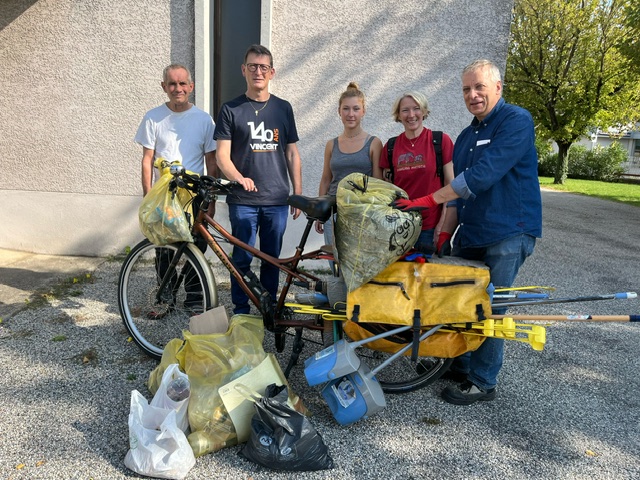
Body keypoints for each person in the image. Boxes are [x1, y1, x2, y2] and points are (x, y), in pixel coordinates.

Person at [392, 59, 542, 405]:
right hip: (473, 233)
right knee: (460, 299)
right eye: (466, 89)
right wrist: (445, 234)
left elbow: (480, 177)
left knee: (492, 307)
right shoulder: (465, 136)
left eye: (479, 87)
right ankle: (459, 363)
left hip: (509, 231)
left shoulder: (516, 121)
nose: (472, 95)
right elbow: (457, 199)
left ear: (498, 88)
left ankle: (483, 380)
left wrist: (427, 200)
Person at [214, 44, 302, 315]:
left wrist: (297, 193)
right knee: (242, 258)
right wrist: (239, 178)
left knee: (271, 260)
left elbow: (291, 153)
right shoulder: (230, 109)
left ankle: (268, 309)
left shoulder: (283, 109)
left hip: (276, 198)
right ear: (244, 70)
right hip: (243, 200)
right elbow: (222, 157)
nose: (258, 72)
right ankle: (242, 312)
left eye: (263, 67)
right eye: (252, 66)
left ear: (272, 72)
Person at [134, 64, 217, 315]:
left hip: (194, 193)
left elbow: (211, 160)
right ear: (164, 87)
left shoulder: (204, 119)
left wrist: (211, 199)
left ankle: (193, 298)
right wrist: (148, 195)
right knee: (163, 247)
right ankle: (165, 298)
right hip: (164, 194)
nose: (177, 89)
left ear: (191, 87)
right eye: (172, 84)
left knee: (197, 243)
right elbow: (147, 159)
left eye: (182, 84)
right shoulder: (153, 117)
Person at [376, 92, 456, 254]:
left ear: (424, 111)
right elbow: (386, 192)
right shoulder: (391, 147)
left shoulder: (440, 141)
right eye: (405, 110)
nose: (411, 115)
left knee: (428, 278)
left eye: (416, 109)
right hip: (400, 228)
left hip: (430, 228)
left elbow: (451, 187)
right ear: (398, 115)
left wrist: (442, 226)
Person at [316, 82, 383, 273]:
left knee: (358, 265)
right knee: (335, 263)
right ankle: (339, 301)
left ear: (363, 111)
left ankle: (356, 303)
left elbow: (377, 183)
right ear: (339, 111)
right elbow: (326, 179)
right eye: (346, 109)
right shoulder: (331, 145)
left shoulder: (374, 143)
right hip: (333, 213)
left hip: (361, 213)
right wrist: (319, 213)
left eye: (355, 109)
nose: (350, 114)